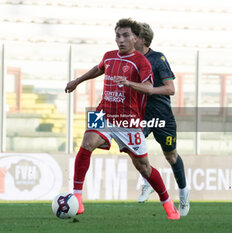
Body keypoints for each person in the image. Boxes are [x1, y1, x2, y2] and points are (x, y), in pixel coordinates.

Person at [65, 18, 180, 220]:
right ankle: (77, 196)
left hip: (129, 121)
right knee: (87, 142)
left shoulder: (141, 62)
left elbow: (149, 88)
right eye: (118, 35)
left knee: (143, 167)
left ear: (135, 38)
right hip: (104, 112)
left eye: (126, 35)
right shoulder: (109, 56)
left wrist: (128, 83)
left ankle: (167, 202)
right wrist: (77, 80)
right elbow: (99, 68)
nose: (121, 39)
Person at [134, 22, 190, 216]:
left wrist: (150, 90)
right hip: (141, 115)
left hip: (162, 116)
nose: (129, 39)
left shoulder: (157, 59)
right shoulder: (130, 59)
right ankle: (150, 181)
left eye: (133, 36)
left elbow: (170, 89)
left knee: (171, 156)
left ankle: (183, 193)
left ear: (142, 40)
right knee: (134, 146)